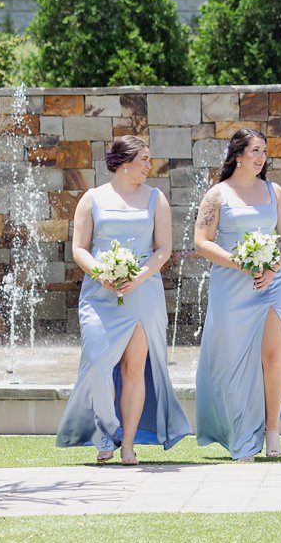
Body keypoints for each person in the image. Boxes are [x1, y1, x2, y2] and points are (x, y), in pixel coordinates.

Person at [57, 135, 190, 464]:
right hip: (99, 294)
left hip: (143, 294)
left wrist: (138, 277)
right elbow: (79, 249)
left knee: (134, 369)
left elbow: (163, 249)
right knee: (98, 363)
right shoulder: (92, 199)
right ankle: (107, 432)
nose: (149, 165)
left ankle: (127, 445)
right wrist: (102, 275)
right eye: (144, 159)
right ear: (125, 162)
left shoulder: (155, 198)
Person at [194, 128, 281, 461]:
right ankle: (242, 433)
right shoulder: (217, 195)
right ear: (238, 155)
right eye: (255, 151)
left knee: (274, 355)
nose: (261, 157)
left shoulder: (275, 191)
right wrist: (240, 264)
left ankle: (272, 431)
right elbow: (202, 242)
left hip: (270, 284)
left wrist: (271, 268)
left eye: (265, 151)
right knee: (237, 361)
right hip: (231, 285)